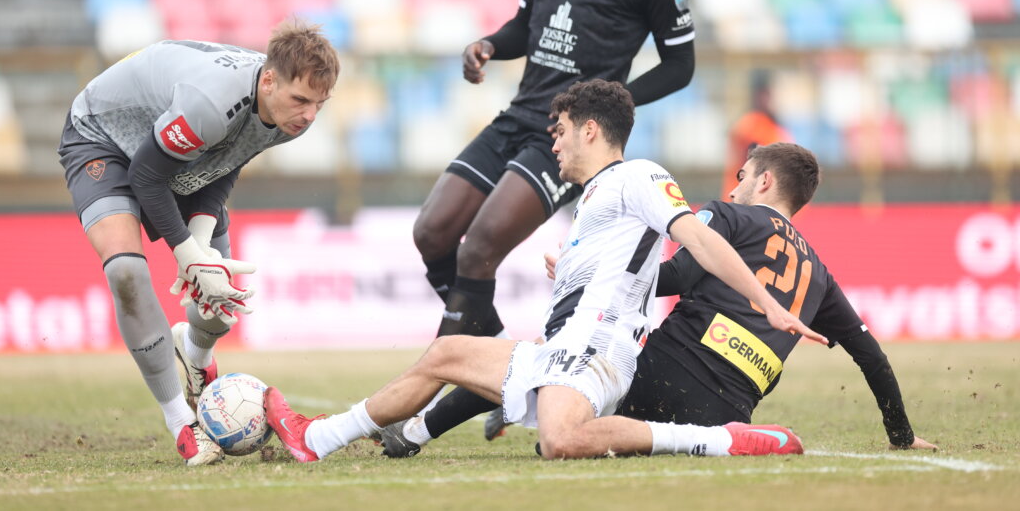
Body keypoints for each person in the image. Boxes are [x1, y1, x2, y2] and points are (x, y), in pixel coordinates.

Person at [266, 80, 824, 463]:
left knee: (561, 442)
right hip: (568, 344)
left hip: (597, 350)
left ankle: (721, 442)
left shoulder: (640, 176)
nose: (551, 142)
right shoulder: (596, 197)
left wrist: (768, 303)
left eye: (557, 130)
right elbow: (632, 268)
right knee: (444, 355)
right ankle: (316, 438)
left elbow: (697, 238)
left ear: (589, 131)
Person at [381, 143, 935, 457]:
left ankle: (412, 432)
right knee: (557, 382)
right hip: (725, 413)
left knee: (545, 359)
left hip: (660, 381)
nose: (736, 183)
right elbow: (871, 357)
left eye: (743, 176)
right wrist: (902, 436)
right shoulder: (818, 273)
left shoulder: (728, 215)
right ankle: (523, 420)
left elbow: (677, 273)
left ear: (764, 182)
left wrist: (588, 272)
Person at [413, 0, 697, 350]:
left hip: (568, 140)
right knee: (431, 233)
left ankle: (440, 387)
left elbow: (680, 66)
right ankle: (500, 359)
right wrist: (487, 46)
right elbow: (525, 27)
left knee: (477, 249)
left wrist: (615, 103)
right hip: (517, 116)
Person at [57, 19, 339, 466]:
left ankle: (196, 353)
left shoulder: (289, 115)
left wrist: (203, 245)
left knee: (219, 300)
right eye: (301, 100)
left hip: (179, 151)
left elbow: (227, 159)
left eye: (319, 105)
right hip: (103, 139)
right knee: (126, 273)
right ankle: (181, 425)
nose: (308, 115)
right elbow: (146, 176)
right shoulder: (211, 102)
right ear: (268, 79)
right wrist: (186, 253)